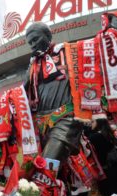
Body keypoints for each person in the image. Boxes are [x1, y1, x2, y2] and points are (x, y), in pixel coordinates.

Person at [25, 22, 83, 161]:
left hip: (66, 118)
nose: (33, 45)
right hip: (41, 124)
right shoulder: (33, 66)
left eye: (35, 39)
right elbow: (23, 92)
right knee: (46, 168)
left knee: (46, 166)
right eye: (30, 42)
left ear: (47, 35)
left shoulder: (68, 51)